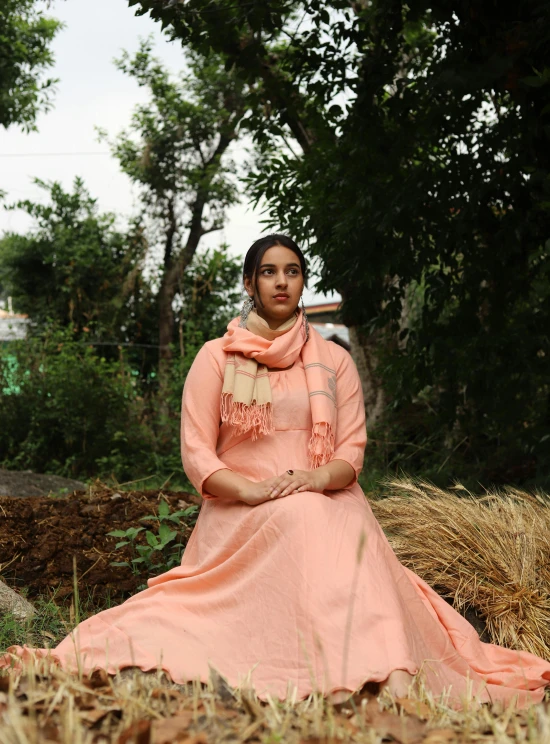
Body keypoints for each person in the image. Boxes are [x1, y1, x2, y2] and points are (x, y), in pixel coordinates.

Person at [2, 234, 550, 708]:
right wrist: (257, 490)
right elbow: (198, 454)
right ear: (249, 283)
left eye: (292, 272)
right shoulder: (217, 357)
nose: (281, 283)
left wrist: (312, 480)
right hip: (241, 506)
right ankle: (326, 675)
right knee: (303, 520)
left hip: (328, 496)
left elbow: (351, 451)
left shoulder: (333, 361)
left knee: (323, 519)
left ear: (303, 282)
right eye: (269, 272)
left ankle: (374, 678)